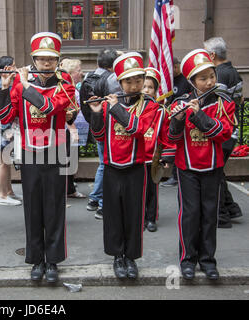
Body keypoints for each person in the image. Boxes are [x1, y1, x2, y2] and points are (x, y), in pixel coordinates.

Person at [0, 32, 76, 283]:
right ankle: (35, 259)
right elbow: (7, 117)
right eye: (41, 59)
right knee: (32, 209)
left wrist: (25, 85)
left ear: (57, 60)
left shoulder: (66, 84)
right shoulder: (19, 84)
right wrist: (6, 88)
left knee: (54, 208)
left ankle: (52, 261)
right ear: (33, 59)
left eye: (51, 59)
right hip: (29, 153)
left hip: (55, 152)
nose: (46, 63)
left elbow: (49, 107)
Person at [88, 52, 158, 280]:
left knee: (134, 215)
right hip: (111, 167)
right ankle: (118, 256)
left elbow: (138, 129)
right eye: (128, 81)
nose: (135, 85)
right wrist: (97, 114)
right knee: (113, 215)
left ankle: (131, 257)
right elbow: (98, 135)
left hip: (136, 168)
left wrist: (115, 107)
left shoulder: (148, 104)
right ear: (120, 82)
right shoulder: (109, 102)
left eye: (138, 80)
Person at [167, 49, 235, 280]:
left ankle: (208, 260)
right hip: (186, 168)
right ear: (192, 81)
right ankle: (187, 259)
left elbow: (223, 133)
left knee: (209, 215)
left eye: (212, 76)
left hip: (213, 167)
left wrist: (197, 116)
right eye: (203, 78)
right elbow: (172, 140)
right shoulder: (180, 103)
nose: (209, 82)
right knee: (190, 214)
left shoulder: (224, 102)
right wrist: (176, 121)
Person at [204, 37, 243, 228]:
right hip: (231, 130)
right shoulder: (233, 72)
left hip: (224, 131)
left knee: (214, 174)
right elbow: (240, 99)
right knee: (217, 172)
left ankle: (221, 215)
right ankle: (231, 207)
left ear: (212, 55)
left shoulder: (218, 75)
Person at [79, 48, 120, 219]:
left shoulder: (88, 77)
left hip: (95, 125)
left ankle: (94, 198)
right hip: (109, 128)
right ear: (113, 65)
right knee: (107, 165)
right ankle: (102, 204)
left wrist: (92, 121)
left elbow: (83, 104)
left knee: (103, 164)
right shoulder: (111, 79)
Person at [142, 67, 175, 232]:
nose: (146, 90)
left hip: (152, 158)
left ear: (156, 90)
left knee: (151, 190)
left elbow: (166, 135)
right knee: (136, 190)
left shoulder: (161, 111)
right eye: (144, 86)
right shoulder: (132, 109)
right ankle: (139, 217)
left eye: (150, 87)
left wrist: (166, 158)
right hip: (136, 157)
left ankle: (151, 217)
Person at [0, 56, 22, 206]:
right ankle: (2, 195)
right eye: (12, 66)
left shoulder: (4, 84)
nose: (15, 69)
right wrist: (6, 129)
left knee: (6, 161)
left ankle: (8, 192)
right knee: (3, 161)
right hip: (4, 127)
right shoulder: (1, 85)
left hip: (7, 126)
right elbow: (1, 109)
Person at [162, 57, 194, 187]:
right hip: (171, 115)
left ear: (176, 67)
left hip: (183, 116)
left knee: (178, 146)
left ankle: (176, 176)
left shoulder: (185, 81)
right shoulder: (169, 81)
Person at [59, 58, 86, 200]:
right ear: (70, 73)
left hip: (71, 129)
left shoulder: (72, 86)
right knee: (67, 160)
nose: (81, 73)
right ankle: (67, 190)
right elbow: (67, 111)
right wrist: (73, 130)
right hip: (68, 130)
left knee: (70, 159)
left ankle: (69, 187)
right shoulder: (66, 88)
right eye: (78, 70)